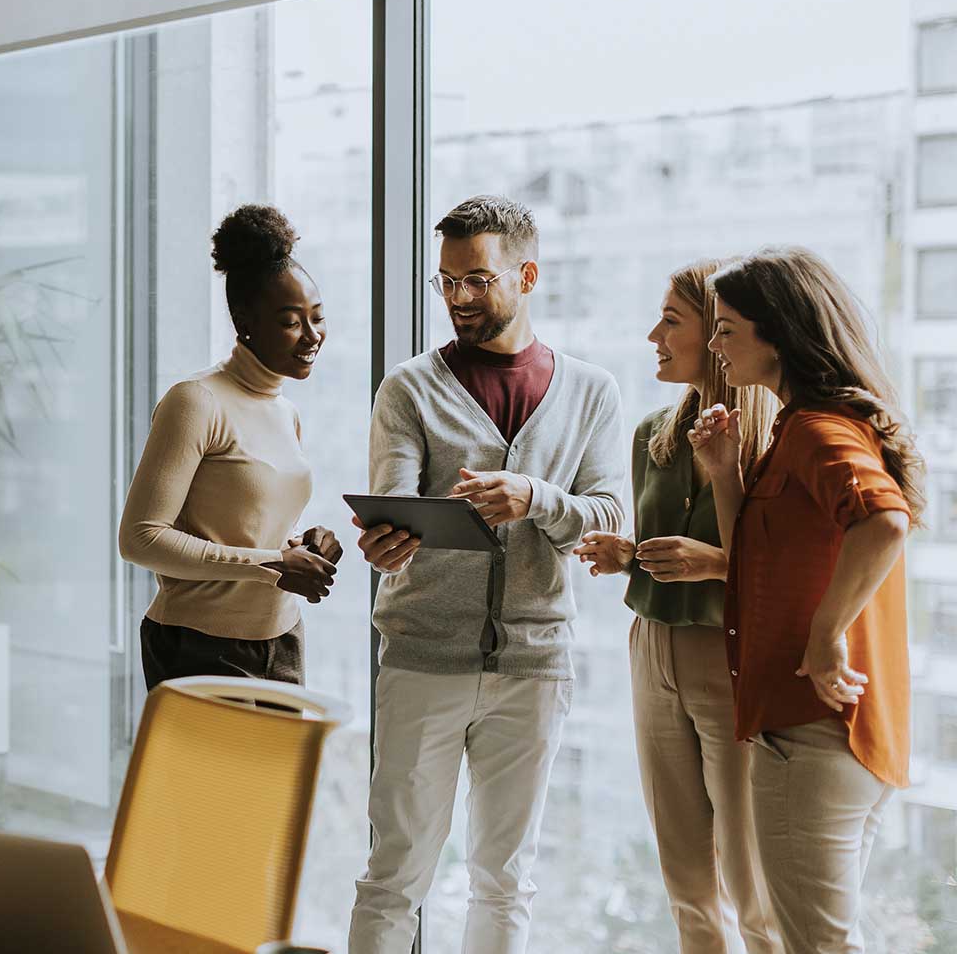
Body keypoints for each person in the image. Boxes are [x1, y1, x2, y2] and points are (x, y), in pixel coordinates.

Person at [347, 195, 626, 954]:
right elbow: (395, 502)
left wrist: (534, 497)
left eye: (476, 280)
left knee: (506, 877)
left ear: (527, 274)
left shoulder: (591, 392)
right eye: (445, 282)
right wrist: (388, 540)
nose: (458, 299)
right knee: (394, 873)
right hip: (421, 657)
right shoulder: (409, 388)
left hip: (535, 665)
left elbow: (610, 514)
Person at [689, 246, 924, 954]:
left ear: (779, 333)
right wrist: (726, 478)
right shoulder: (799, 428)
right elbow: (753, 568)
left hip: (812, 732)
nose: (714, 345)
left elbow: (884, 522)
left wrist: (825, 636)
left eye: (727, 328)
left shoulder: (817, 430)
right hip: (835, 736)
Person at [574, 260, 781, 954]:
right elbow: (672, 544)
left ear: (716, 334)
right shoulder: (652, 437)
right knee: (685, 879)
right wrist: (627, 554)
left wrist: (715, 563)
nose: (653, 335)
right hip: (650, 648)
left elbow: (785, 565)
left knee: (753, 881)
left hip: (726, 658)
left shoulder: (771, 440)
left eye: (671, 320)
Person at [119, 204, 342, 691]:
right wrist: (272, 566)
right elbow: (139, 538)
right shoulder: (195, 401)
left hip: (283, 640)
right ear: (245, 319)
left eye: (318, 317)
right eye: (290, 321)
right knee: (212, 775)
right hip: (198, 644)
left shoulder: (287, 412)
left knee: (281, 774)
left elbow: (249, 524)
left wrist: (300, 545)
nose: (312, 336)